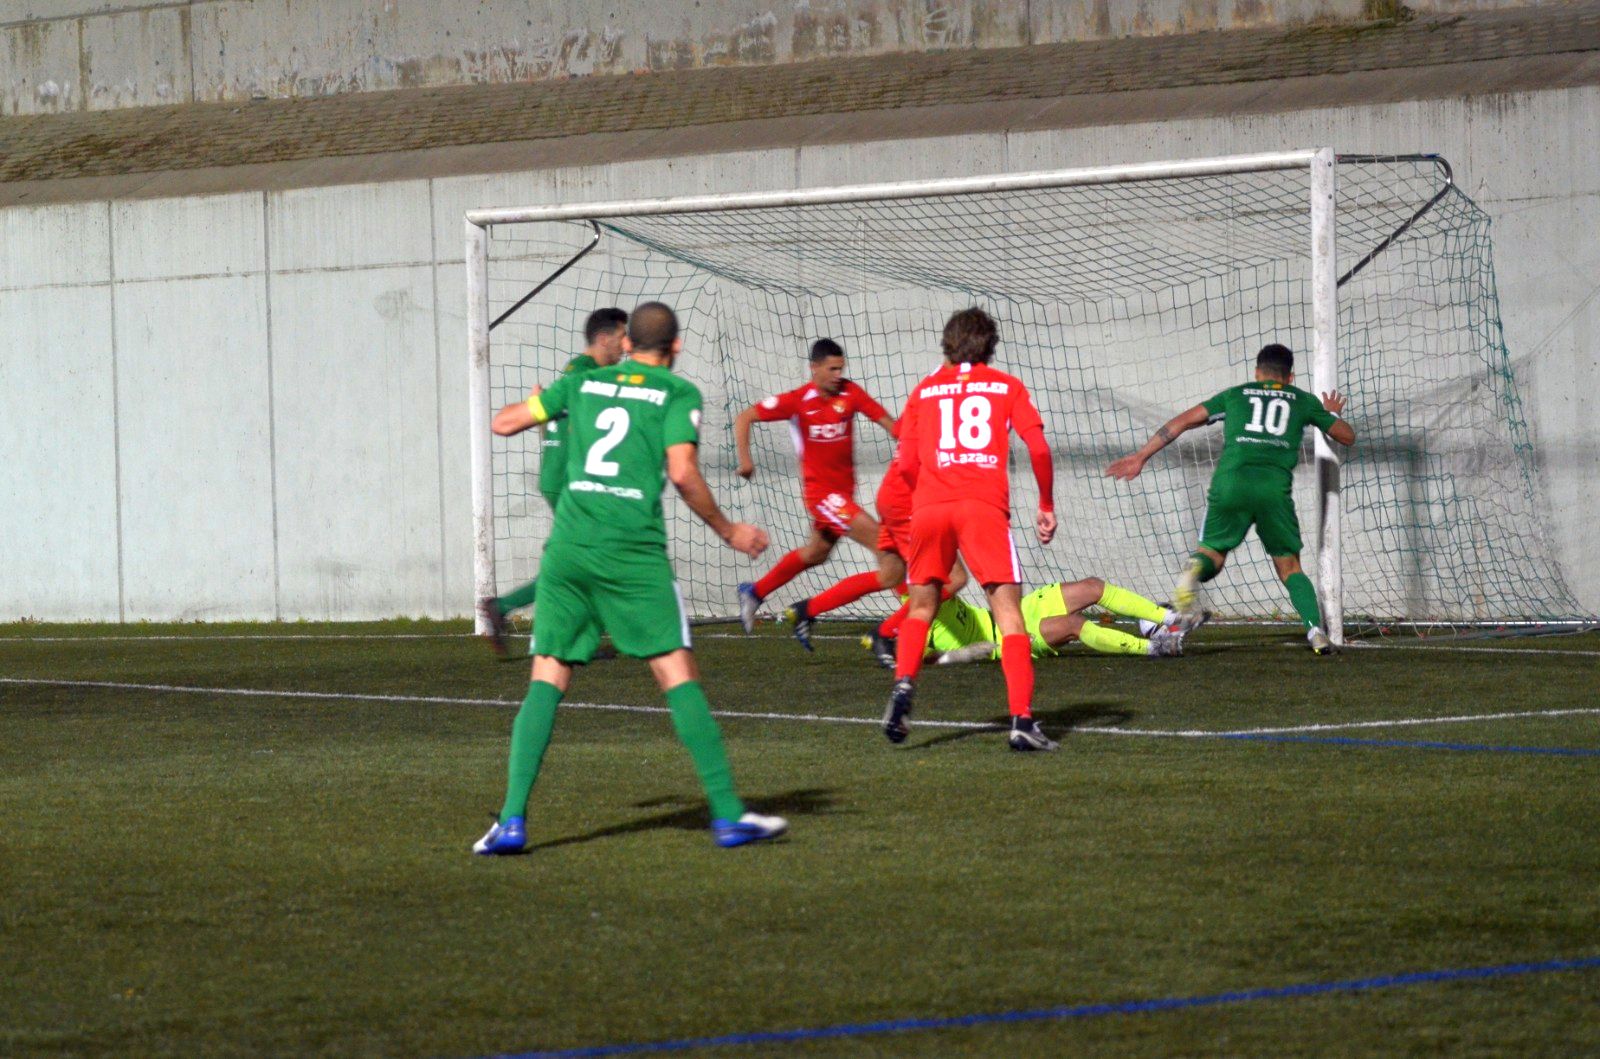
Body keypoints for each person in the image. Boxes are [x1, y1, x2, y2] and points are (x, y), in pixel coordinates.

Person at [474, 302, 787, 855]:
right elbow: (684, 472)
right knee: (675, 672)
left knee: (547, 676)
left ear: (624, 343)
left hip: (569, 549)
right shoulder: (677, 392)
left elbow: (504, 424)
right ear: (677, 345)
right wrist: (728, 529)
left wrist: (545, 403)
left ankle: (513, 821)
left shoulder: (582, 383)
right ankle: (729, 815)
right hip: (631, 552)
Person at [1106, 342, 1356, 654]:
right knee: (1290, 568)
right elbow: (1347, 435)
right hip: (1273, 491)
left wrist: (1141, 455)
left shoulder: (1235, 395)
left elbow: (1182, 421)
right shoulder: (1302, 400)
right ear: (1290, 377)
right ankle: (1315, 631)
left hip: (1230, 484)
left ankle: (1193, 571)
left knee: (1212, 554)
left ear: (1256, 372)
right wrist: (1329, 413)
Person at [884, 307, 1058, 752]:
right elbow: (1037, 447)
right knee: (1008, 613)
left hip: (929, 508)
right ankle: (1021, 719)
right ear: (991, 345)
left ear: (947, 343)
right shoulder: (1006, 386)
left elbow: (905, 463)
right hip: (983, 507)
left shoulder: (925, 390)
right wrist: (1045, 504)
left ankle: (904, 685)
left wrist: (927, 494)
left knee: (922, 605)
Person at [478, 307, 629, 654]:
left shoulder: (583, 372)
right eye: (622, 338)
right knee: (592, 559)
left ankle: (507, 610)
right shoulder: (584, 372)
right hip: (567, 480)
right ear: (604, 338)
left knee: (584, 558)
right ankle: (551, 630)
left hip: (564, 477)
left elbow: (556, 417)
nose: (625, 346)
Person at [733, 339, 897, 648]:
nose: (838, 374)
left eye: (841, 368)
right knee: (886, 549)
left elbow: (890, 424)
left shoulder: (851, 393)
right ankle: (899, 629)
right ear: (814, 368)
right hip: (822, 497)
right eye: (832, 369)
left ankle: (757, 592)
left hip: (843, 495)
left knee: (816, 554)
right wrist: (745, 460)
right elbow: (744, 418)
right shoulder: (798, 400)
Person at [900, 578, 1194, 666]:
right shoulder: (914, 612)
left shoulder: (934, 581)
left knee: (1093, 587)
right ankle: (1154, 647)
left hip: (1012, 611)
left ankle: (1172, 618)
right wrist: (968, 652)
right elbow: (923, 657)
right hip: (1007, 640)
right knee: (1073, 624)